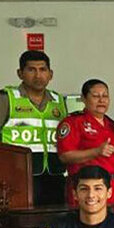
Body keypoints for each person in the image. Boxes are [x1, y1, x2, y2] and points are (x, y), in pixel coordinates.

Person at [0, 50, 67, 206]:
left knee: (54, 225)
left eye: (42, 70)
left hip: (54, 176)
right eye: (31, 70)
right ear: (20, 73)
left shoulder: (59, 101)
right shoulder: (6, 99)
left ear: (50, 74)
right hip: (16, 177)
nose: (38, 75)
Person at [56, 79, 114, 215]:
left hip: (112, 186)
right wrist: (96, 152)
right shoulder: (73, 122)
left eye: (105, 96)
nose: (101, 100)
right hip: (87, 188)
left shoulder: (111, 125)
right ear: (84, 99)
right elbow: (65, 156)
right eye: (96, 96)